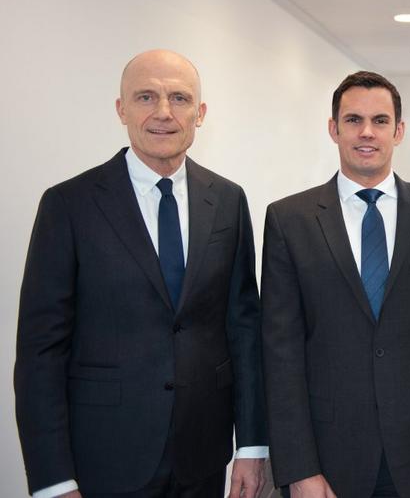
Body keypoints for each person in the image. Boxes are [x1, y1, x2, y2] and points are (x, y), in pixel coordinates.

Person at [15, 49, 268, 498]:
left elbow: (243, 329)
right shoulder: (68, 205)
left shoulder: (229, 201)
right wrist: (53, 480)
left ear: (200, 113)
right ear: (122, 109)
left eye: (179, 98)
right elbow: (41, 352)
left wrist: (251, 445)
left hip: (203, 457)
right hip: (103, 460)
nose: (163, 112)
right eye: (146, 97)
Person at [261, 71, 410, 498]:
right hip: (327, 458)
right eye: (353, 120)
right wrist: (298, 467)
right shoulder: (289, 220)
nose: (366, 132)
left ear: (399, 131)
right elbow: (281, 355)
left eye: (380, 121)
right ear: (333, 129)